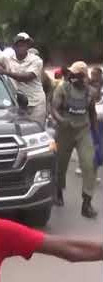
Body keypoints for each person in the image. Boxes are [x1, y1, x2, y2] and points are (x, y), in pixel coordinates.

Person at [51, 61, 98, 218]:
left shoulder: (90, 92)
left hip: (83, 131)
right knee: (60, 164)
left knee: (89, 164)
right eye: (72, 74)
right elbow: (54, 109)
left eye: (77, 75)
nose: (72, 77)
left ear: (84, 77)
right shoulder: (63, 88)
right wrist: (60, 120)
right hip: (64, 131)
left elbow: (92, 114)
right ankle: (58, 191)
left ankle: (87, 203)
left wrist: (96, 136)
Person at [0, 32, 46, 126]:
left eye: (24, 45)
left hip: (36, 103)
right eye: (19, 45)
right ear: (14, 47)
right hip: (18, 104)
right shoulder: (7, 58)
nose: (22, 47)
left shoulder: (36, 60)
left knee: (36, 130)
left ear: (28, 46)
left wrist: (5, 72)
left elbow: (26, 77)